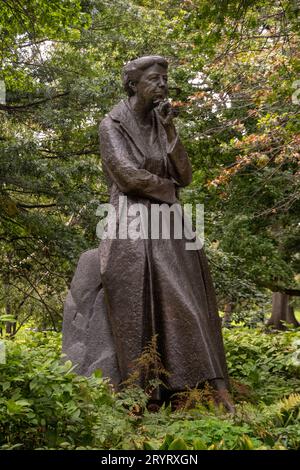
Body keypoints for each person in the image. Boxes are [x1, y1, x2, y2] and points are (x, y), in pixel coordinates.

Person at [63, 55, 234, 413]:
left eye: (165, 79)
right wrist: (167, 189)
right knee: (165, 276)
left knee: (191, 289)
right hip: (130, 216)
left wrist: (171, 131)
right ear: (133, 84)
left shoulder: (162, 122)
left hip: (169, 219)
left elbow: (184, 175)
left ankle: (203, 382)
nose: (162, 85)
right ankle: (154, 391)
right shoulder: (111, 124)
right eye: (155, 79)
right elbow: (127, 177)